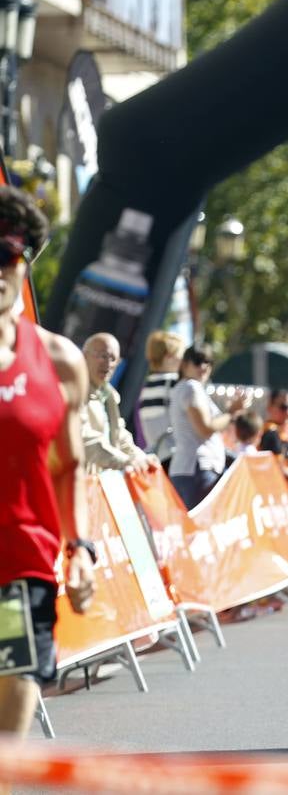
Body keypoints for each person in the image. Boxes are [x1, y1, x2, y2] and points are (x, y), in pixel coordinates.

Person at [0, 185, 95, 741]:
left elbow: (70, 467)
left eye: (4, 254)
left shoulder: (60, 362)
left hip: (19, 570)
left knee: (10, 714)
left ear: (25, 259)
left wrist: (79, 547)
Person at [169, 344, 249, 509]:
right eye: (198, 361)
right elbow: (205, 428)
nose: (204, 367)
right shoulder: (191, 387)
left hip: (190, 469)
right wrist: (231, 412)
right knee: (200, 529)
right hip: (196, 468)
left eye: (209, 362)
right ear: (184, 364)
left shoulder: (184, 388)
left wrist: (229, 413)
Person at [80, 332, 156, 474]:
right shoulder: (75, 389)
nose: (108, 363)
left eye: (113, 359)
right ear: (84, 356)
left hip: (97, 484)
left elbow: (119, 435)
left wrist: (141, 458)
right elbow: (83, 437)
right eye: (103, 356)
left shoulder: (109, 395)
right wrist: (124, 461)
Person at [135, 329, 185, 457]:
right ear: (169, 357)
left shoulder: (146, 387)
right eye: (181, 357)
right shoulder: (175, 383)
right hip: (176, 453)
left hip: (157, 455)